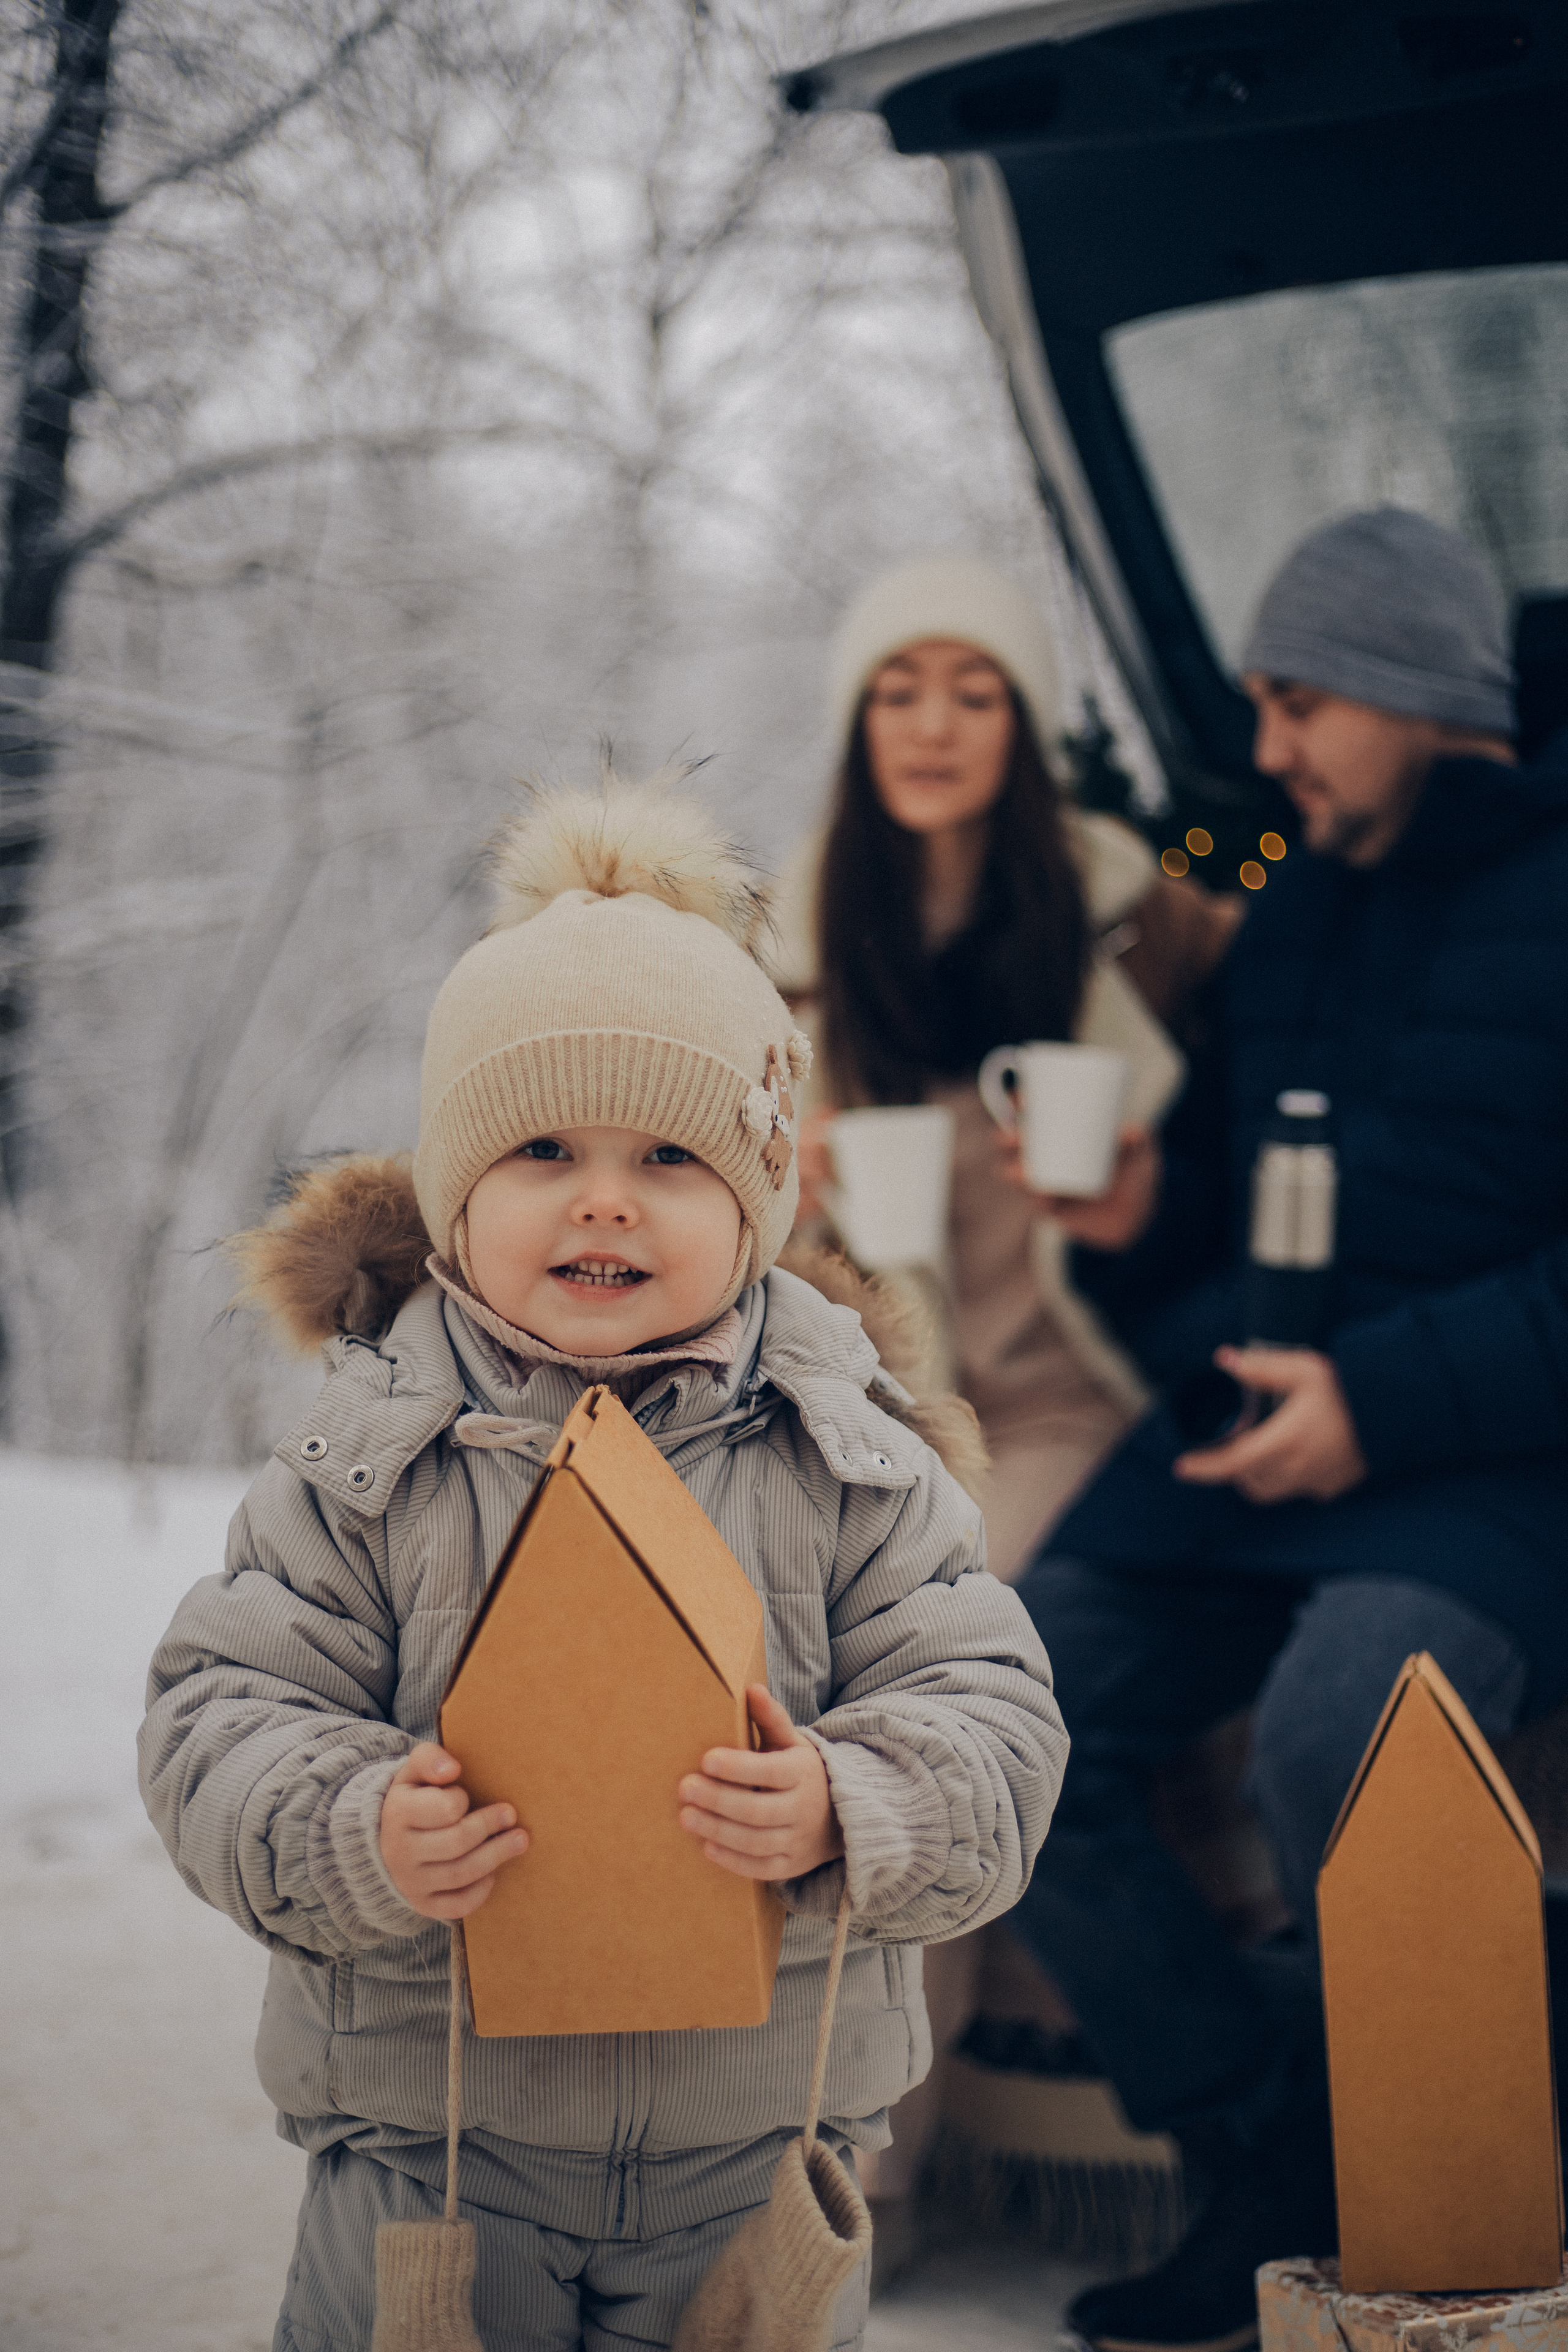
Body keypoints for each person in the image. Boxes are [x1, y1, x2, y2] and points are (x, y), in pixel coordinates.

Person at [137, 777, 1065, 2352]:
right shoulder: (372, 1459)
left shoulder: (846, 1454)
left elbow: (992, 1714)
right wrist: (355, 1822)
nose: (604, 1197)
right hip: (435, 2155)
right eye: (544, 1145)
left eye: (672, 1157)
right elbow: (215, 1716)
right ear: (451, 1191)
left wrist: (857, 1801)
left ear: (760, 1198)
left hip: (757, 2154)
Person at [1008, 507, 1568, 2352]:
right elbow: (1237, 1232)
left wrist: (1381, 1403)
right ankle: (1264, 2159)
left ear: (1424, 690)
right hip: (1254, 1433)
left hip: (1487, 1467)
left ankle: (1435, 2191)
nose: (1265, 751)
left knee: (1344, 1741)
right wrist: (1141, 1214)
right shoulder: (1296, 900)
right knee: (1012, 1716)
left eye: (1300, 699)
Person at [768, 559, 1238, 2247]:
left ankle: (864, 2183)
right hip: (886, 1410)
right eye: (901, 691)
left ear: (1024, 728)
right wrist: (789, 1176)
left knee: (946, 1664)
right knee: (811, 1673)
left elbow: (1252, 1121)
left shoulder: (1139, 915)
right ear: (858, 722)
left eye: (975, 693)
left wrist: (1149, 1181)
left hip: (1074, 1403)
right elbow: (707, 1188)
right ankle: (815, 2152)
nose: (935, 726)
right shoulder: (798, 938)